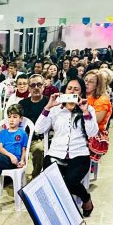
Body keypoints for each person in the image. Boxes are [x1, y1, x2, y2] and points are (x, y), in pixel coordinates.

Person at [35, 78, 99, 216]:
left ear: (81, 93)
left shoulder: (88, 109)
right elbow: (38, 129)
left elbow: (92, 133)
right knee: (52, 182)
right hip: (55, 153)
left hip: (79, 154)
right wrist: (48, 107)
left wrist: (85, 112)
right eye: (69, 88)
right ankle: (62, 211)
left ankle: (85, 199)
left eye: (76, 89)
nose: (72, 91)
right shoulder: (55, 109)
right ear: (64, 91)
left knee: (68, 182)